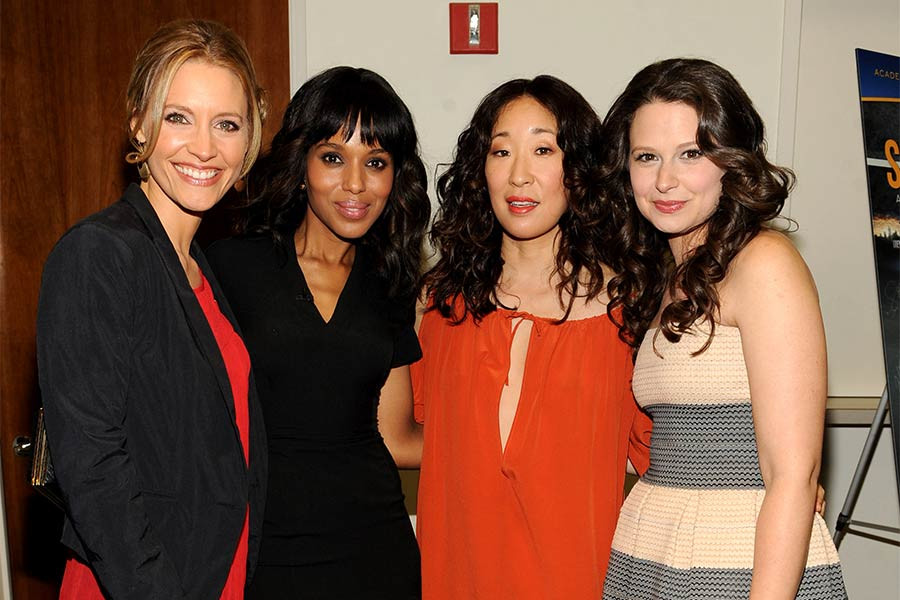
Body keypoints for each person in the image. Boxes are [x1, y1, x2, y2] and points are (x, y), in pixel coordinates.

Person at [36, 19, 268, 600]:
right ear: (139, 121)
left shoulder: (199, 267)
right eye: (178, 117)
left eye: (227, 125)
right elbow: (92, 465)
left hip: (212, 572)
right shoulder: (100, 253)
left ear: (250, 140)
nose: (205, 147)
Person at [600, 58, 847, 599]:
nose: (665, 180)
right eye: (647, 157)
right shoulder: (665, 277)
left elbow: (792, 478)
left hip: (735, 562)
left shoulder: (765, 264)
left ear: (730, 162)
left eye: (691, 154)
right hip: (657, 551)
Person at [412, 75, 653, 599]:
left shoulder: (631, 313)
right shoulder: (437, 306)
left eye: (544, 149)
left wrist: (779, 474)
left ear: (579, 170)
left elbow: (673, 458)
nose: (519, 175)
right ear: (481, 170)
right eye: (501, 151)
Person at [205, 66, 430, 599]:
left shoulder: (390, 283)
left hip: (376, 551)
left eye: (375, 163)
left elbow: (397, 438)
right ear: (301, 165)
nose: (355, 184)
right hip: (263, 549)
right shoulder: (230, 267)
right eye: (333, 158)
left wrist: (517, 440)